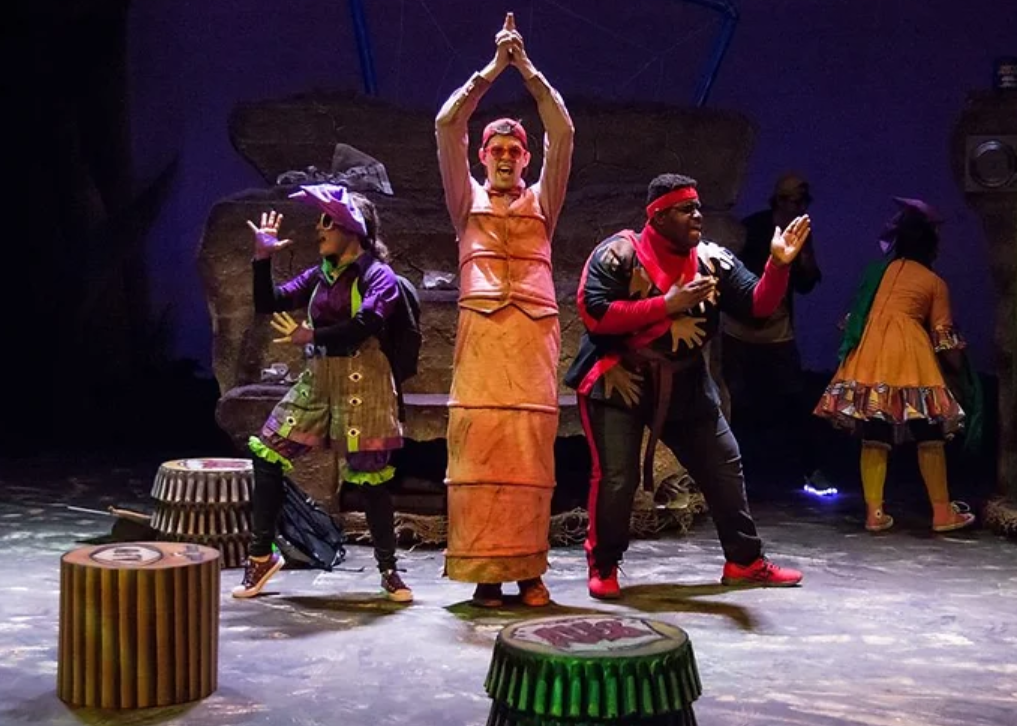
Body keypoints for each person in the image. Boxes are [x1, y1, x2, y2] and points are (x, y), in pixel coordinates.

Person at [565, 173, 809, 600]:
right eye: (685, 209)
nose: (697, 215)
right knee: (617, 478)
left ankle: (744, 561)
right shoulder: (618, 253)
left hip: (685, 380)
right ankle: (603, 564)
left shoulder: (711, 259)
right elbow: (595, 314)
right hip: (618, 377)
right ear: (658, 217)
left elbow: (758, 307)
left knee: (724, 464)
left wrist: (778, 265)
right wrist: (667, 304)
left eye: (698, 207)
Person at [435, 13, 574, 608]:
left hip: (533, 336)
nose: (507, 157)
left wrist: (529, 71)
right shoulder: (464, 199)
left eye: (516, 150)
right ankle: (486, 572)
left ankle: (529, 569)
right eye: (497, 149)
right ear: (482, 154)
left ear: (527, 158)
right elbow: (447, 124)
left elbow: (563, 131)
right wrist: (494, 70)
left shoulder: (544, 199)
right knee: (481, 446)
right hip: (483, 340)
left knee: (529, 451)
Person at [232, 183, 413, 602]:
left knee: (370, 478)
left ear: (353, 227)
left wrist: (311, 335)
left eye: (327, 221)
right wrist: (262, 259)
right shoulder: (321, 274)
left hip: (363, 381)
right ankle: (261, 555)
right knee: (268, 451)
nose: (319, 228)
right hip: (318, 380)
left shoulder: (378, 276)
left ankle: (389, 570)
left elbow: (364, 324)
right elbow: (269, 301)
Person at [814, 197, 975, 533]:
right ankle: (942, 512)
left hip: (869, 354)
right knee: (929, 429)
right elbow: (943, 337)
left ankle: (874, 513)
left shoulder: (879, 273)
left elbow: (855, 316)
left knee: (875, 429)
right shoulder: (933, 282)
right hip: (909, 355)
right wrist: (961, 370)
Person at [721, 173, 827, 490]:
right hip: (739, 330)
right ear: (779, 200)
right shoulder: (753, 228)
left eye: (804, 201)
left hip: (777, 331)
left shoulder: (802, 233)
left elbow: (806, 283)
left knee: (794, 399)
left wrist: (805, 260)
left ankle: (811, 470)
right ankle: (728, 474)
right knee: (734, 402)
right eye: (795, 200)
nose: (800, 207)